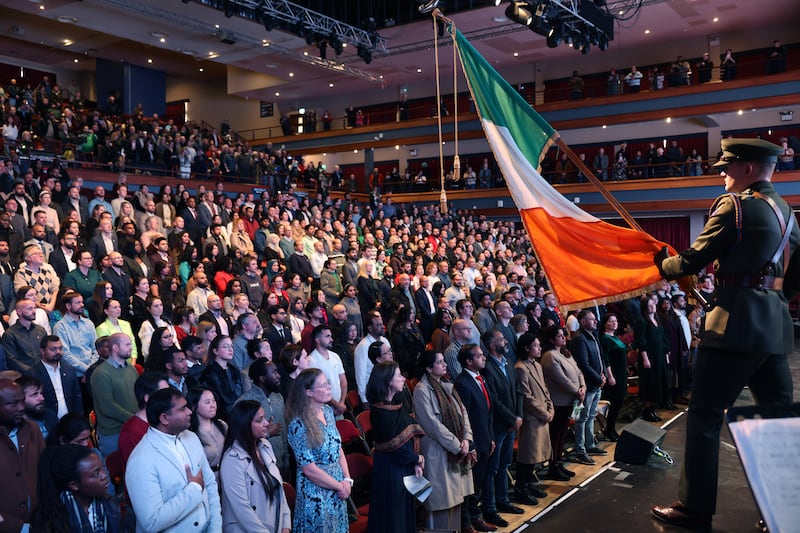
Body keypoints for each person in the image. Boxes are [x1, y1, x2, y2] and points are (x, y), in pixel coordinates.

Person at [652, 138, 799, 531]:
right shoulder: (788, 213)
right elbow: (794, 277)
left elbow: (692, 259)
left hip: (734, 327)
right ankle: (784, 513)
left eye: (726, 167)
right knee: (776, 422)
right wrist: (770, 299)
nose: (722, 174)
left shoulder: (735, 206)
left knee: (704, 415)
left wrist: (662, 264)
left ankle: (694, 507)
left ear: (747, 169)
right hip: (774, 328)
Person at [125, 387, 223, 532]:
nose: (190, 411)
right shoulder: (141, 460)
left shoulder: (191, 437)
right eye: (183, 409)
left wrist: (215, 528)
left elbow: (210, 485)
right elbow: (151, 522)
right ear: (164, 418)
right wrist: (194, 489)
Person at [412, 350, 474, 531]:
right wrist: (457, 445)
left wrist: (467, 439)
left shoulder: (447, 385)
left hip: (456, 451)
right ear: (429, 368)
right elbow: (432, 425)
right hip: (438, 452)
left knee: (455, 501)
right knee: (441, 505)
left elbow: (463, 413)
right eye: (440, 362)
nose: (445, 364)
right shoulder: (421, 390)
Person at [285, 368, 351, 533]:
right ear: (309, 392)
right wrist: (339, 486)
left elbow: (337, 448)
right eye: (323, 385)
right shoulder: (298, 424)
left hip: (338, 488)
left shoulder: (327, 411)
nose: (329, 387)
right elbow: (309, 469)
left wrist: (347, 480)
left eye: (328, 383)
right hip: (316, 495)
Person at [365, 361, 425, 533]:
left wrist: (414, 462)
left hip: (404, 465)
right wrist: (417, 458)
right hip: (391, 470)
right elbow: (394, 447)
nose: (403, 378)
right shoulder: (380, 412)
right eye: (399, 375)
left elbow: (408, 435)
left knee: (404, 514)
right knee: (394, 516)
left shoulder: (396, 403)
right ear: (387, 380)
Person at [219, 400, 291, 533]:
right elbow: (241, 509)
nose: (267, 423)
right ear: (245, 425)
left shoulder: (265, 446)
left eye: (264, 418)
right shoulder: (232, 459)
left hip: (273, 523)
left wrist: (285, 523)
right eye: (260, 420)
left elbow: (279, 489)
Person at [453, 343, 497, 532]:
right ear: (469, 361)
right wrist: (471, 445)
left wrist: (491, 437)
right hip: (474, 442)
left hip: (485, 439)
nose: (484, 357)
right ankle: (466, 522)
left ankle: (475, 516)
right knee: (470, 485)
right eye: (479, 356)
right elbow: (465, 418)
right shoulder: (462, 383)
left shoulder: (481, 378)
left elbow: (488, 411)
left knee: (478, 483)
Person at [32, 444, 123, 533]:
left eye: (102, 468)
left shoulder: (111, 506)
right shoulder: (53, 521)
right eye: (96, 474)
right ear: (74, 485)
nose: (104, 475)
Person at [0, 379, 46, 533]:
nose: (21, 408)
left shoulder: (32, 429)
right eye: (13, 404)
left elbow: (45, 473)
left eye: (22, 401)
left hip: (38, 522)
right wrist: (19, 528)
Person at [513, 333, 553, 505]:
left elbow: (545, 389)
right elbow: (526, 396)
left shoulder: (537, 364)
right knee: (527, 455)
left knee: (535, 455)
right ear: (526, 348)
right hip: (532, 416)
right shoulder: (520, 367)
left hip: (542, 414)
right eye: (536, 345)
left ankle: (528, 484)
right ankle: (521, 488)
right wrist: (544, 413)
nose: (539, 348)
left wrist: (550, 408)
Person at [539, 326, 582, 480]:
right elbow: (561, 379)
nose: (563, 337)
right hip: (558, 401)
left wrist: (582, 387)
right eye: (559, 336)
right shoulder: (550, 356)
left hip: (571, 399)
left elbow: (578, 371)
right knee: (555, 434)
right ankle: (553, 465)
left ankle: (558, 462)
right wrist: (577, 391)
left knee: (562, 433)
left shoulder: (565, 353)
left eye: (563, 335)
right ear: (551, 339)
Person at [568, 310, 608, 465]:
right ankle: (580, 450)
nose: (595, 321)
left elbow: (601, 357)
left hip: (596, 383)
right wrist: (599, 379)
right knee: (581, 418)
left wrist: (603, 375)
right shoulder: (579, 338)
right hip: (586, 386)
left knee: (591, 416)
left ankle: (590, 445)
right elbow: (583, 364)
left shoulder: (593, 335)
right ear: (583, 322)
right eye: (591, 319)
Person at [236, 359, 289, 476]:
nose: (279, 376)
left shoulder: (278, 398)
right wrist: (267, 432)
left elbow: (283, 429)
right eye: (274, 372)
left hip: (280, 463)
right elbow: (240, 437)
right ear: (262, 378)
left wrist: (286, 460)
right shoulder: (245, 403)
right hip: (257, 466)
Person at [89, 332, 139, 456]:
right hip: (113, 433)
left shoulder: (132, 369)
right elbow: (107, 406)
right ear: (115, 348)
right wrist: (135, 419)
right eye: (127, 345)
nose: (131, 348)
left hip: (133, 428)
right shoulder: (101, 373)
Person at [598, 313, 628, 442]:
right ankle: (609, 429)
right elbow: (606, 359)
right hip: (614, 374)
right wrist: (610, 376)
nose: (614, 323)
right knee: (615, 402)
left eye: (615, 321)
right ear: (605, 323)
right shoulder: (604, 338)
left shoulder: (615, 337)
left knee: (619, 402)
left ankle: (611, 428)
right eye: (610, 321)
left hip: (621, 373)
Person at [201, 335, 243, 421]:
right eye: (226, 346)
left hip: (237, 412)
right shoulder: (210, 373)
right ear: (215, 351)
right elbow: (222, 401)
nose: (230, 349)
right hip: (222, 416)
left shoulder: (234, 370)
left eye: (231, 346)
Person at [188, 387, 228, 476]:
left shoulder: (222, 425)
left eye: (213, 401)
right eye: (207, 402)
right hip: (208, 477)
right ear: (194, 407)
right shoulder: (191, 434)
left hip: (228, 473)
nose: (212, 405)